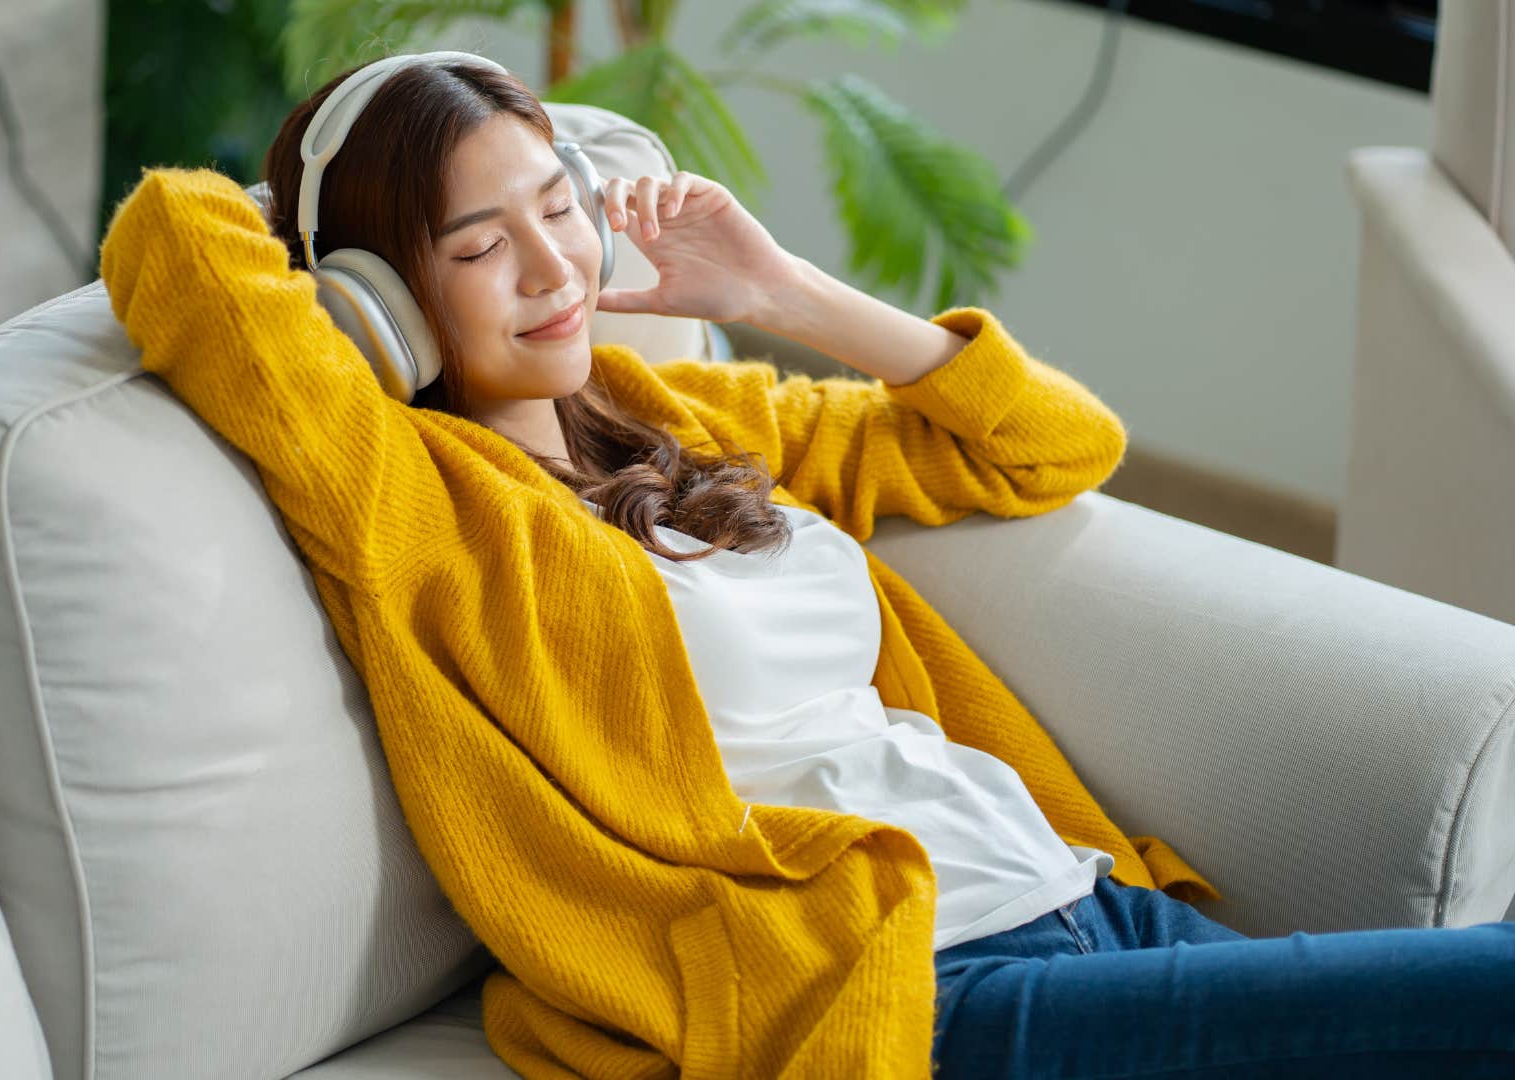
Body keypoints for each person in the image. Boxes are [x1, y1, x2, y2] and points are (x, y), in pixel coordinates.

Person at [98, 50, 1515, 1080]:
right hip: (917, 993)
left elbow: (1050, 447)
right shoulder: (419, 505)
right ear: (387, 296)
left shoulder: (697, 421)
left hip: (1088, 900)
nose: (554, 265)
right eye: (480, 244)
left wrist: (777, 294)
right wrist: (341, 258)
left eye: (559, 203)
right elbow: (175, 237)